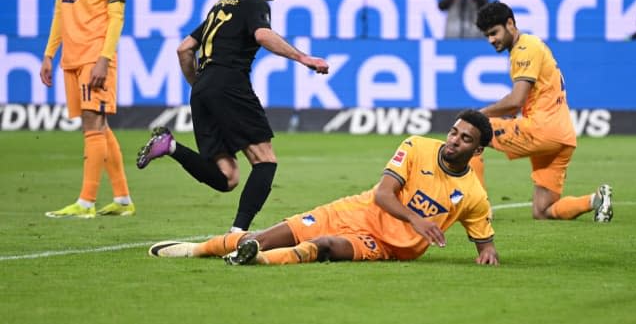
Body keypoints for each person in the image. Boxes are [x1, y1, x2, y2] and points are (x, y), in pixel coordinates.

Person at [135, 0, 330, 233]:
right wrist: (304, 58)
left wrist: (200, 86)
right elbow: (262, 35)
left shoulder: (224, 3)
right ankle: (237, 233)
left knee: (227, 177)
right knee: (265, 160)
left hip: (203, 88)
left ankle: (171, 146)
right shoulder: (254, 2)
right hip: (229, 84)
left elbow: (184, 48)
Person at [148, 110, 499, 267]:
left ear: (478, 150)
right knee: (273, 234)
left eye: (465, 139)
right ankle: (197, 250)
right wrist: (418, 221)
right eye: (454, 131)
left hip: (385, 245)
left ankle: (257, 261)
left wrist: (487, 253)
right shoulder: (418, 146)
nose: (453, 140)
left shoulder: (473, 194)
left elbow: (484, 241)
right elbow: (382, 194)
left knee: (323, 247)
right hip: (355, 210)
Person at [472, 1, 613, 222]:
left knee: (472, 128)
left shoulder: (525, 48)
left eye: (494, 33)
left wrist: (480, 114)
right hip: (562, 136)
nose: (491, 40)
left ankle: (479, 209)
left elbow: (515, 101)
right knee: (543, 211)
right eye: (487, 36)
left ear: (510, 23)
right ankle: (596, 200)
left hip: (542, 130)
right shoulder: (531, 46)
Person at [40, 0, 134, 218]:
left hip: (96, 55)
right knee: (97, 126)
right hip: (72, 56)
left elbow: (116, 15)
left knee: (93, 124)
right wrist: (49, 53)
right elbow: (59, 10)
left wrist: (104, 58)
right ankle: (122, 200)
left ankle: (85, 203)